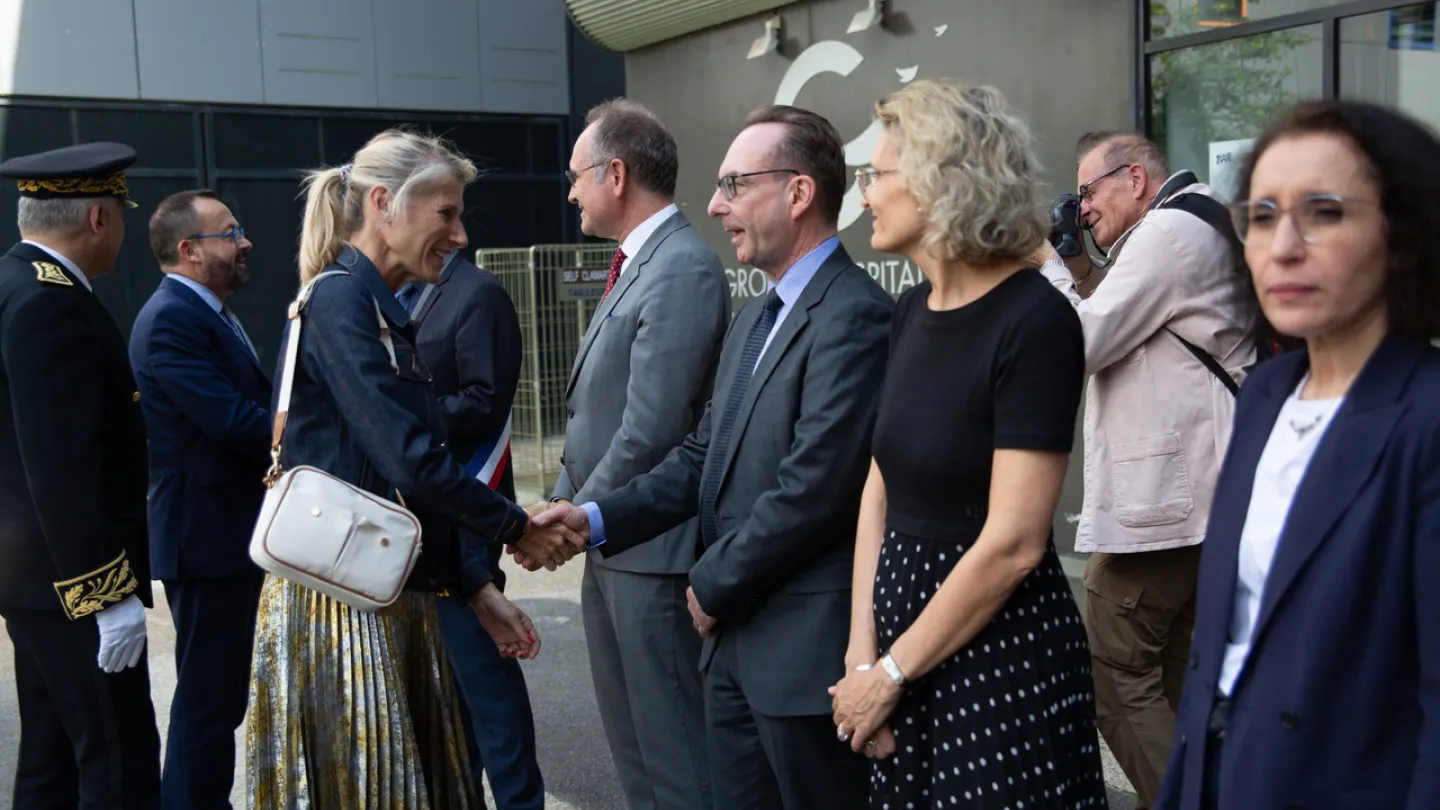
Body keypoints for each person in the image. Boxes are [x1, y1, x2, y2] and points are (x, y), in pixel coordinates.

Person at [530, 105, 893, 810]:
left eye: (734, 183)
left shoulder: (856, 315)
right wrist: (596, 517)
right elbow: (702, 455)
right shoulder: (758, 315)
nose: (715, 203)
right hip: (731, 646)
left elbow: (814, 488)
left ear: (797, 194)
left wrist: (713, 581)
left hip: (799, 655)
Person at [246, 128, 580, 809]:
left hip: (385, 597)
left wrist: (473, 587)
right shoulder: (342, 300)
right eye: (447, 214)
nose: (459, 236)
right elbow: (411, 460)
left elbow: (399, 476)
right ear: (382, 203)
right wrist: (516, 527)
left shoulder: (374, 306)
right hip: (344, 610)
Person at [828, 79, 1108, 810]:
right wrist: (864, 654)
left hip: (996, 660)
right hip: (900, 650)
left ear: (938, 182)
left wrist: (890, 675)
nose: (864, 194)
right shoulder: (911, 309)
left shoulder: (1035, 320)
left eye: (875, 175)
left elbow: (1014, 543)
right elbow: (878, 487)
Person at [1156, 100, 1440, 810]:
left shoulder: (1428, 420)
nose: (1283, 246)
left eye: (1324, 212)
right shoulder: (1268, 392)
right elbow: (1220, 652)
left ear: (1400, 237)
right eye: (1260, 216)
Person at [1032, 131, 1260, 807]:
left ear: (1134, 178)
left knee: (1114, 668)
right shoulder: (1198, 219)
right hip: (1207, 492)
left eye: (1088, 192)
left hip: (1172, 503)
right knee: (1173, 675)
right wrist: (1076, 262)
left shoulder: (1167, 233)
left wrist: (1042, 261)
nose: (1081, 209)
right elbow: (1121, 315)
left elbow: (1080, 340)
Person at [551, 98, 728, 810]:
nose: (570, 193)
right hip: (612, 541)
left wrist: (573, 513)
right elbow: (593, 412)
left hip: (651, 554)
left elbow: (650, 428)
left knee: (675, 755)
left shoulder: (680, 266)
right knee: (634, 750)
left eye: (576, 176)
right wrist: (572, 504)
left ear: (614, 174)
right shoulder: (636, 263)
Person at [0, 142, 162, 807]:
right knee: (117, 758)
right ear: (100, 219)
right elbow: (60, 464)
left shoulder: (15, 284)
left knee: (52, 757)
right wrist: (103, 594)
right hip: (72, 586)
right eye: (121, 214)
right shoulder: (49, 304)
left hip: (34, 579)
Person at [128, 189, 269, 809]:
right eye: (229, 233)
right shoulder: (172, 320)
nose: (244, 242)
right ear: (188, 251)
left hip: (224, 536)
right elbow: (233, 420)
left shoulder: (207, 310)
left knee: (220, 698)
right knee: (208, 703)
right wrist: (307, 429)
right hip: (205, 541)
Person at [399, 248, 546, 810]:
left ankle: (519, 799)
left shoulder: (477, 293)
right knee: (444, 680)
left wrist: (402, 411)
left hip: (467, 505)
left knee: (484, 673)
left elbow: (486, 403)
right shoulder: (397, 293)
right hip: (416, 511)